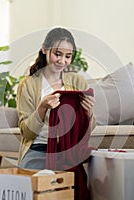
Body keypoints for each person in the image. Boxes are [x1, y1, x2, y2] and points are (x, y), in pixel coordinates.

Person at [16, 27, 96, 169]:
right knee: (32, 184)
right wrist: (41, 108)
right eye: (57, 54)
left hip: (68, 151)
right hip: (39, 149)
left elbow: (87, 130)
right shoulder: (28, 84)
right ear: (45, 49)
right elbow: (27, 132)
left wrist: (88, 113)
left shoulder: (78, 82)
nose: (62, 61)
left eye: (68, 56)